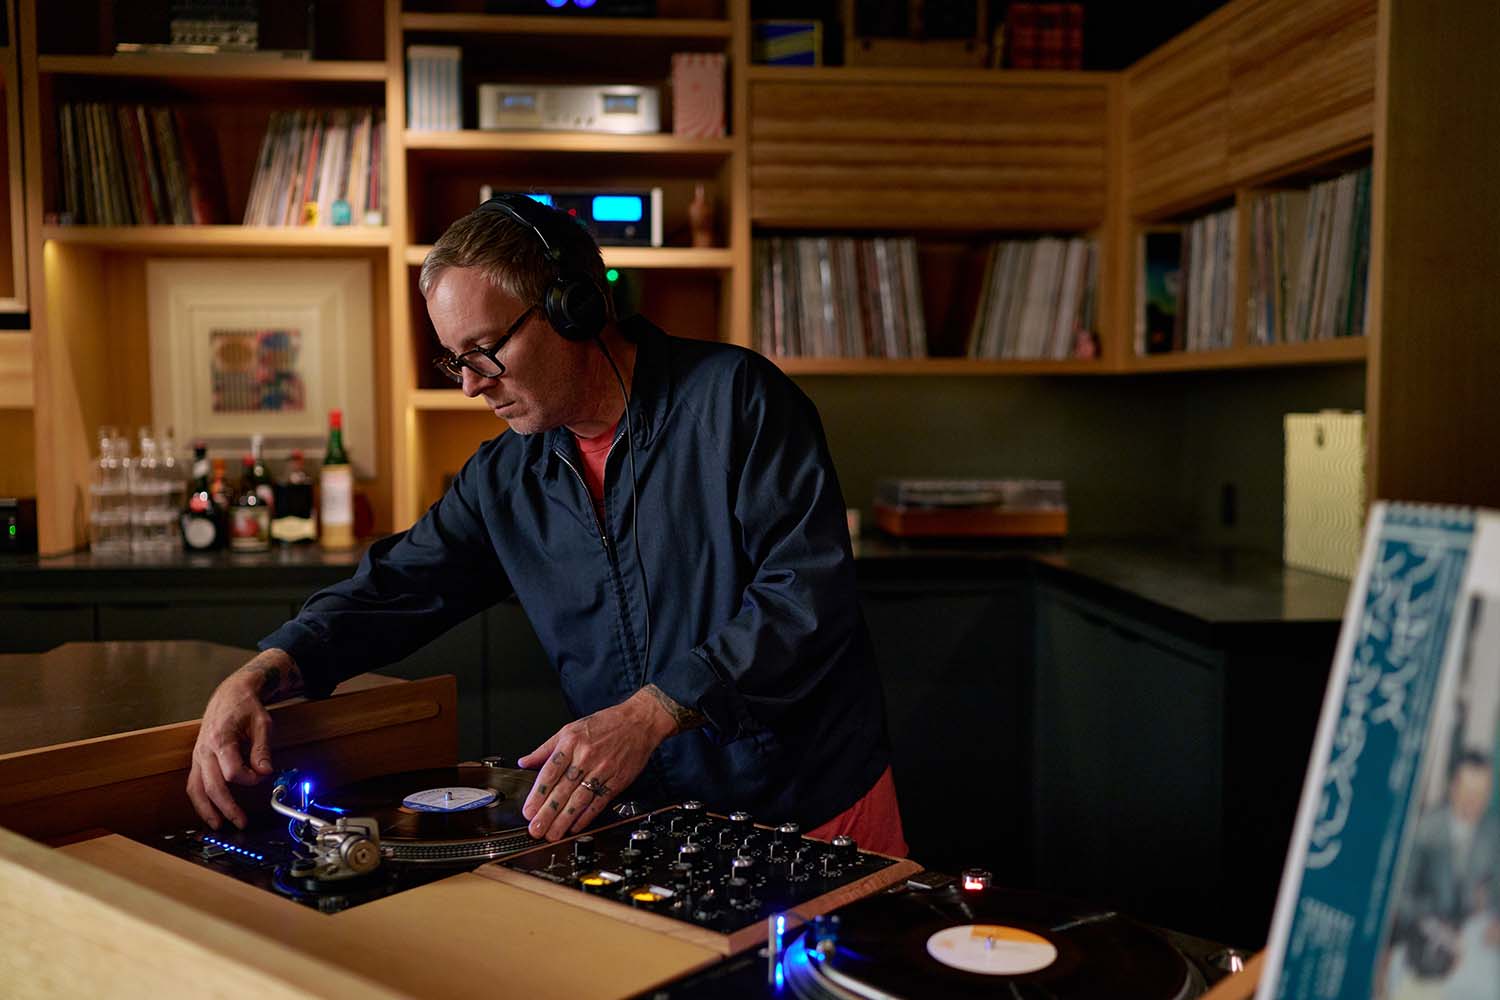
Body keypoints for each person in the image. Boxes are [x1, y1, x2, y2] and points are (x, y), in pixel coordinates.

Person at [186, 194, 907, 855]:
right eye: (454, 360)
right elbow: (396, 586)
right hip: (644, 820)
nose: (470, 383)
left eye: (483, 350)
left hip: (808, 806)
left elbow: (804, 595)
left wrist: (656, 709)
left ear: (576, 309)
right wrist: (262, 671)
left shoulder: (737, 401)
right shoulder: (505, 476)